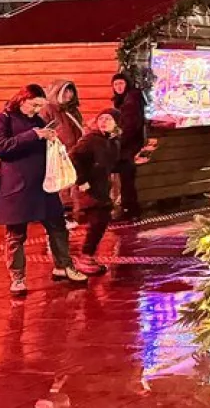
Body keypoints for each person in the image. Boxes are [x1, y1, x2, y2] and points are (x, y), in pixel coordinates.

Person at [0, 84, 87, 295]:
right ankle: (18, 278)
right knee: (16, 235)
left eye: (40, 106)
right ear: (22, 99)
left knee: (57, 226)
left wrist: (50, 137)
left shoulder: (38, 120)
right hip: (16, 187)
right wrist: (33, 135)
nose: (36, 110)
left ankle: (64, 266)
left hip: (44, 185)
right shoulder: (3, 118)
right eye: (34, 105)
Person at [70, 110, 120, 276]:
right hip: (88, 188)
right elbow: (74, 157)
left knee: (101, 222)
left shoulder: (112, 141)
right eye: (101, 118)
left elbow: (112, 164)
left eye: (108, 119)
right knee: (98, 220)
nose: (104, 122)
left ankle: (88, 256)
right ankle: (85, 257)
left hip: (102, 186)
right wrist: (81, 180)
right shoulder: (91, 139)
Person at [42, 80, 85, 227]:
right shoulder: (49, 109)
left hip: (75, 151)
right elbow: (44, 129)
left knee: (73, 183)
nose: (69, 94)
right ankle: (62, 216)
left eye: (71, 91)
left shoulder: (73, 110)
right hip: (59, 153)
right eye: (65, 90)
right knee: (62, 184)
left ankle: (74, 214)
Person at [111, 73, 147, 219]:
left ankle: (129, 209)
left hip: (129, 145)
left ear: (127, 84)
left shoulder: (131, 100)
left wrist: (117, 139)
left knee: (126, 178)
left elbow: (129, 126)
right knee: (126, 178)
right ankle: (129, 208)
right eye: (115, 84)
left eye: (121, 83)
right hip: (129, 144)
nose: (118, 87)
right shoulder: (125, 99)